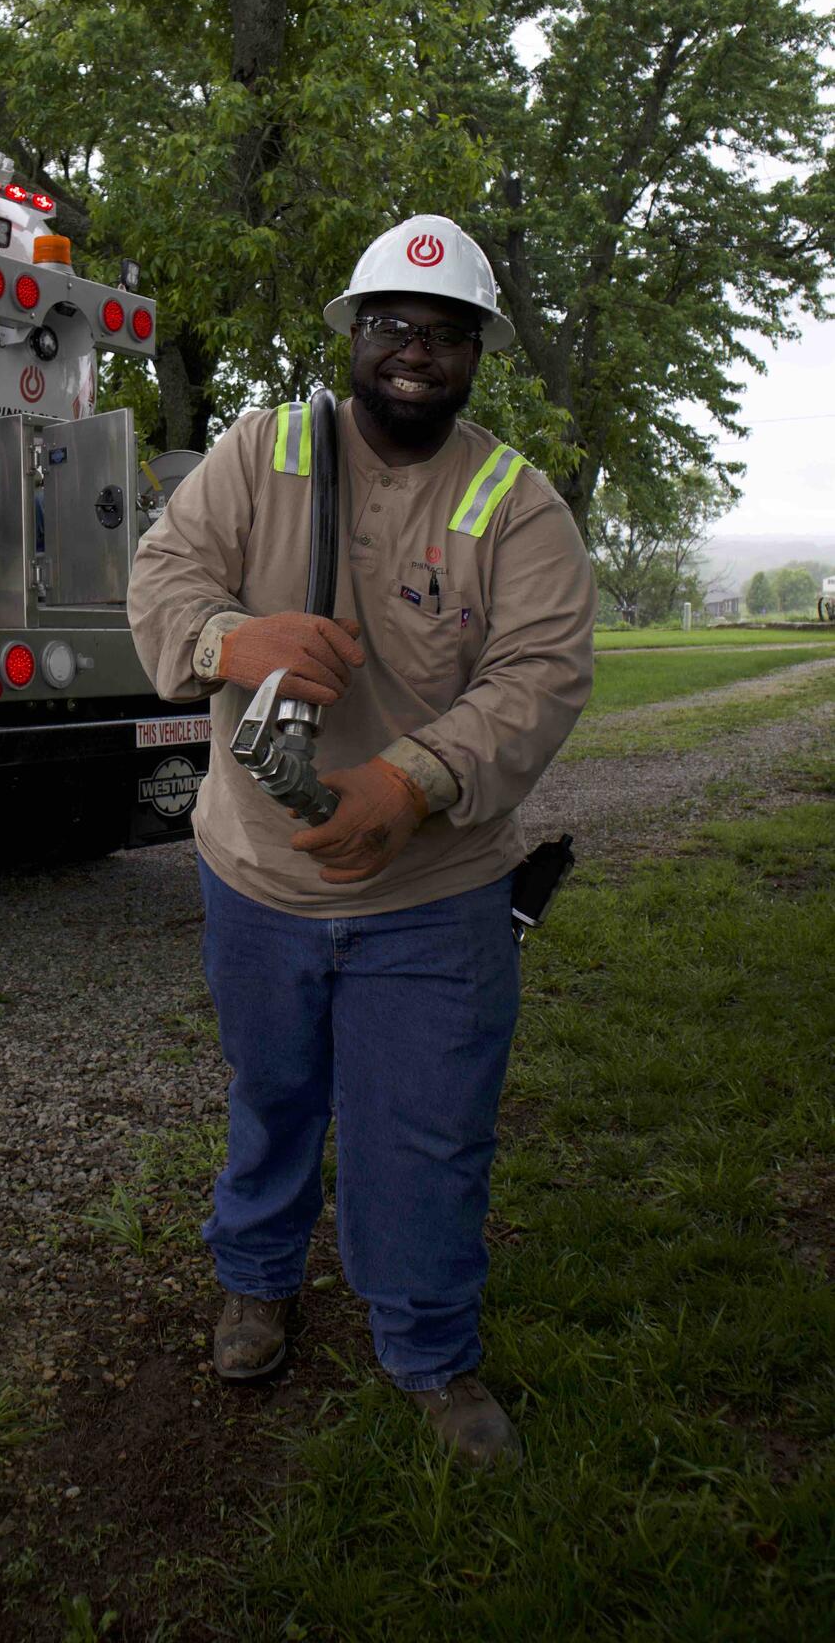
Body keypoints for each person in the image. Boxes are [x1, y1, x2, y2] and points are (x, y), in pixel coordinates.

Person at [126, 215, 596, 1469]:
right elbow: (164, 575)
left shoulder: (518, 504)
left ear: (477, 354)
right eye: (393, 324)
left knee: (426, 1128)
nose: (415, 351)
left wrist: (412, 779)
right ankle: (258, 1281)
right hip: (257, 876)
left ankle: (430, 1349)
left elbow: (542, 671)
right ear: (354, 334)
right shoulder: (262, 450)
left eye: (445, 333)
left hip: (435, 890)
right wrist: (231, 639)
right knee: (272, 1094)